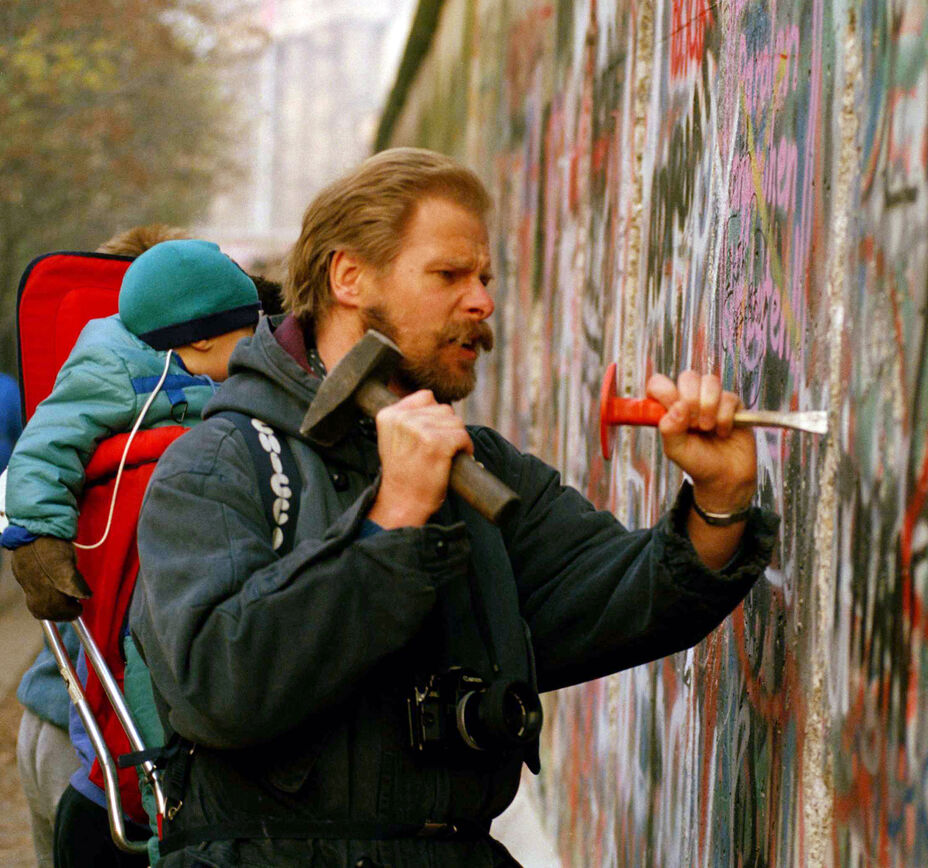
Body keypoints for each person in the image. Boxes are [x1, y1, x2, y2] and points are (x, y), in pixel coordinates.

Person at [129, 147, 778, 867]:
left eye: (485, 278)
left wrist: (720, 499)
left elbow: (623, 596)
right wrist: (394, 518)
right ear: (350, 277)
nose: (483, 302)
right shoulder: (220, 463)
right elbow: (218, 691)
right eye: (448, 275)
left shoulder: (479, 468)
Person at [4, 237, 261, 867]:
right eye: (243, 338)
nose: (255, 351)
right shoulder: (109, 368)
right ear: (198, 339)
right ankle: (152, 795)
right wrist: (37, 535)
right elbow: (43, 448)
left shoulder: (211, 363)